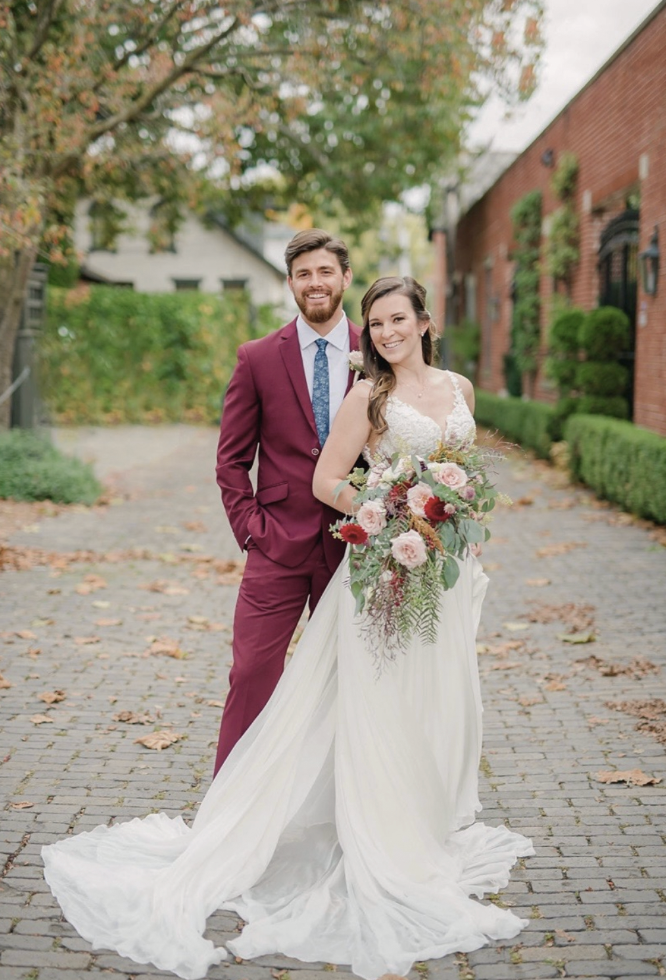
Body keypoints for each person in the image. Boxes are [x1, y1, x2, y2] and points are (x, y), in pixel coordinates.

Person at [42, 276, 533, 980]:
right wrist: (384, 507)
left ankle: (422, 822)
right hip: (388, 567)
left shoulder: (460, 387)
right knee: (379, 702)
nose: (388, 332)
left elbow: (464, 472)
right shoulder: (371, 396)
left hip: (446, 574)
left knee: (437, 695)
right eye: (377, 323)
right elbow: (326, 481)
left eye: (399, 319)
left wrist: (461, 520)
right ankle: (379, 840)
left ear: (425, 322)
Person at [213, 228, 360, 774]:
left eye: (325, 271)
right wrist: (251, 528)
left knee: (354, 679)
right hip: (275, 543)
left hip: (358, 545)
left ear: (345, 277)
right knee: (251, 672)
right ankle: (231, 811)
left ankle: (342, 806)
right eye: (303, 274)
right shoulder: (257, 358)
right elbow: (231, 459)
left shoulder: (379, 351)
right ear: (290, 283)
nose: (315, 283)